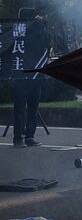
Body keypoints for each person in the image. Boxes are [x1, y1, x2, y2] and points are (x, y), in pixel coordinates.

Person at [12, 9, 47, 148]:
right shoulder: (17, 31)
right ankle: (19, 138)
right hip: (23, 75)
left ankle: (28, 137)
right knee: (22, 109)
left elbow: (45, 42)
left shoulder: (37, 29)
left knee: (31, 108)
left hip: (33, 74)